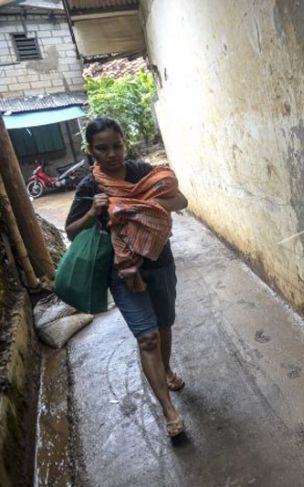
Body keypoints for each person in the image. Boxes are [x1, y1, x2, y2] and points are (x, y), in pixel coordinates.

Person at [65, 117, 188, 437]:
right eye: (102, 149)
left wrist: (142, 203)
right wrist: (93, 212)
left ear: (124, 143)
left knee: (163, 326)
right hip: (122, 271)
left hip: (159, 261)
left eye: (116, 145)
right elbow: (70, 231)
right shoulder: (89, 187)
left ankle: (167, 368)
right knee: (147, 337)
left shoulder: (143, 172)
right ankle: (169, 411)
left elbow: (181, 201)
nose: (111, 154)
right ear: (91, 151)